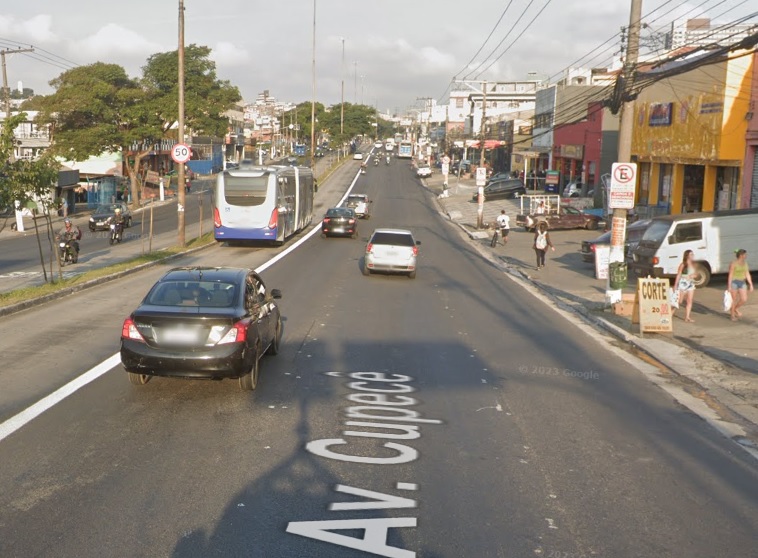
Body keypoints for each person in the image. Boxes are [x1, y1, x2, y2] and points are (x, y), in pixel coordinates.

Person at [728, 249, 753, 321]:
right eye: (745, 254)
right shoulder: (733, 263)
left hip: (742, 282)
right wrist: (729, 286)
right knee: (733, 299)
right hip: (734, 282)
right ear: (741, 255)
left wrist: (750, 284)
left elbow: (747, 274)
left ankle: (735, 308)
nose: (746, 256)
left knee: (744, 299)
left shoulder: (745, 263)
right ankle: (732, 315)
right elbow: (730, 275)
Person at [674, 249, 697, 322]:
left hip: (691, 283)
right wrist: (675, 285)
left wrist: (694, 275)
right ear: (687, 256)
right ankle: (671, 312)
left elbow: (696, 274)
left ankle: (687, 317)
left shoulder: (693, 264)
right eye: (691, 254)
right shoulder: (683, 264)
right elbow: (679, 274)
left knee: (689, 300)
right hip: (683, 283)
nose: (692, 256)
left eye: (693, 254)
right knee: (680, 301)